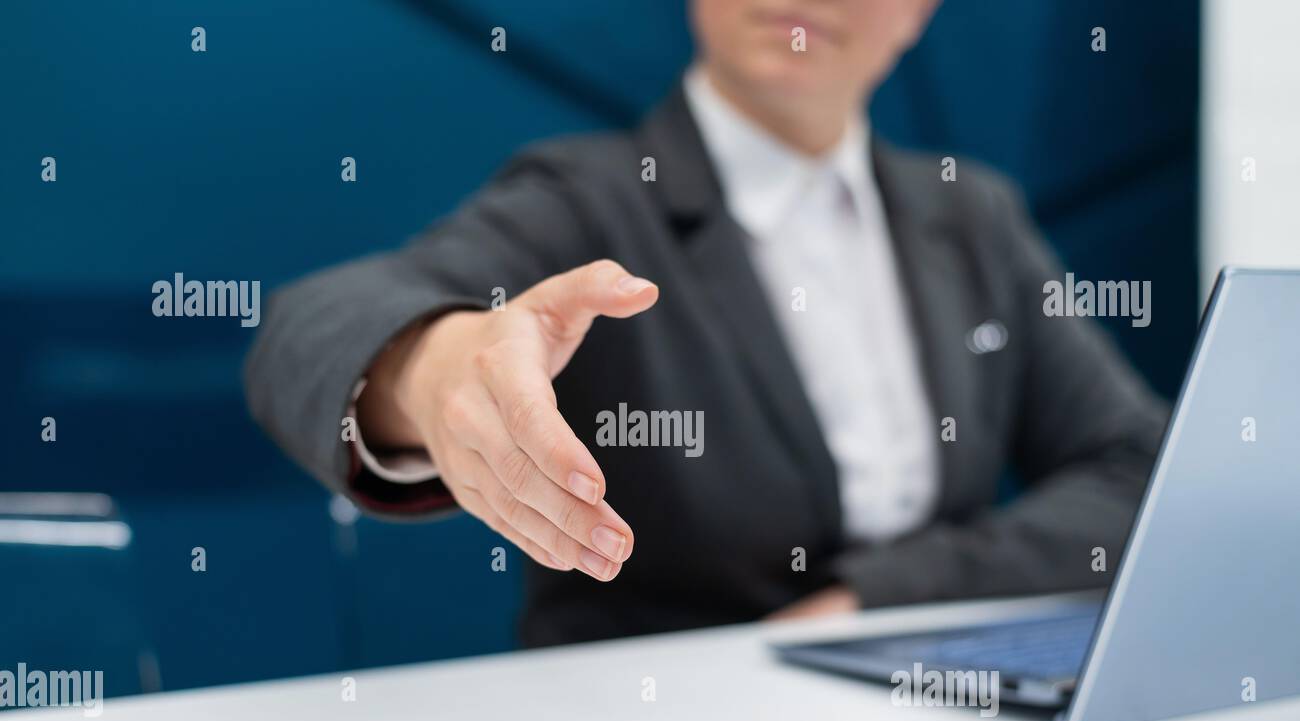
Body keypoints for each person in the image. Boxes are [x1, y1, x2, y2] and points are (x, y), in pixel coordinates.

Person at [244, 0, 1167, 648]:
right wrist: (431, 369)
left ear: (917, 11)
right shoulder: (593, 200)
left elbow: (1138, 474)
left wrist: (882, 597)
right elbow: (306, 325)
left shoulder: (975, 218)